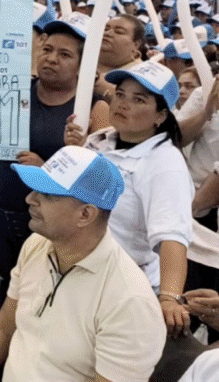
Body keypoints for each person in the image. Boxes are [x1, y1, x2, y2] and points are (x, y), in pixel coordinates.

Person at [0, 146, 167, 382]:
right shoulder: (37, 245)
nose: (30, 199)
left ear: (85, 214)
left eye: (47, 195)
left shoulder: (129, 301)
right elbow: (3, 328)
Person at [0, 13, 111, 308]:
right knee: (4, 292)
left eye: (65, 54)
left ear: (82, 65)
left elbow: (101, 181)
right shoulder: (14, 91)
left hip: (48, 225)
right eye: (47, 49)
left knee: (41, 300)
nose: (51, 59)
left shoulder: (95, 108)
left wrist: (48, 169)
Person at [67, 60, 195, 339]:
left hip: (125, 288)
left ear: (161, 115)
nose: (123, 104)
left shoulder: (165, 164)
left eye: (139, 99)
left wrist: (169, 298)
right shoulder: (100, 140)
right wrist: (73, 153)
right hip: (82, 275)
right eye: (120, 94)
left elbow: (172, 237)